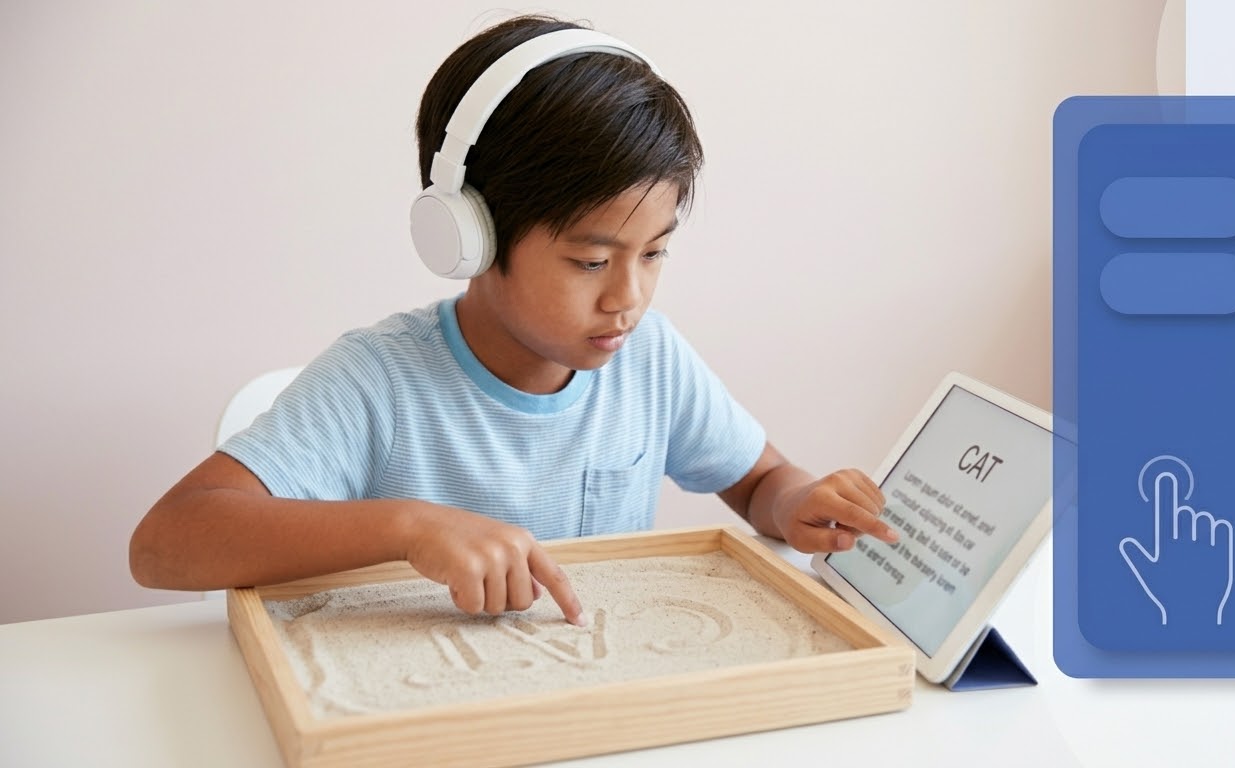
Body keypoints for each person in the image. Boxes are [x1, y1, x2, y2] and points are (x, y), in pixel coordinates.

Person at [128, 13, 898, 627]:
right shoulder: (380, 382)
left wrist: (798, 503)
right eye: (591, 262)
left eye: (655, 253)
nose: (627, 296)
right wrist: (409, 527)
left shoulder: (650, 358)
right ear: (471, 237)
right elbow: (166, 543)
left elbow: (759, 479)